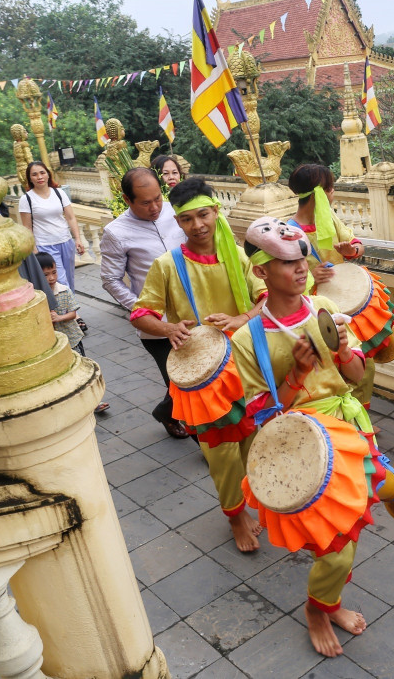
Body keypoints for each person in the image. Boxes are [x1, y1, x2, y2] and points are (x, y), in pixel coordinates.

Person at [231, 216, 382, 658]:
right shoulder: (247, 339)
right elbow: (263, 416)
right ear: (261, 270)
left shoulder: (324, 308)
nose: (301, 268)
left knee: (348, 530)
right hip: (301, 445)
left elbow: (356, 376)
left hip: (349, 430)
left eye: (302, 258)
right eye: (286, 262)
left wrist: (341, 350)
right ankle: (318, 608)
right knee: (334, 540)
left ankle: (327, 601)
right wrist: (296, 373)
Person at [130, 178, 266, 551]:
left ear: (216, 212)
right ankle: (235, 517)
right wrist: (167, 328)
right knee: (220, 453)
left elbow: (266, 298)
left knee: (250, 441)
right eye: (187, 219)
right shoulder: (167, 265)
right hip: (201, 377)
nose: (198, 225)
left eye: (203, 215)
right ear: (178, 221)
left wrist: (242, 318)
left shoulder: (237, 255)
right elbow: (141, 313)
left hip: (245, 364)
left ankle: (247, 503)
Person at [100, 167, 188, 439]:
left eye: (158, 198)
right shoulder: (116, 232)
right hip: (157, 327)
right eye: (145, 203)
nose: (155, 207)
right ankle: (207, 444)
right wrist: (143, 310)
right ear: (127, 200)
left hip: (193, 312)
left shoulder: (178, 212)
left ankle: (165, 411)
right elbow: (110, 280)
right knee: (179, 381)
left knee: (197, 376)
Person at [287, 163, 382, 407]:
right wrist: (310, 277)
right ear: (319, 194)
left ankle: (359, 413)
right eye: (330, 189)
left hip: (346, 305)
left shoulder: (330, 218)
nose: (333, 193)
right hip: (316, 312)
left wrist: (352, 251)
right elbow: (283, 281)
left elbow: (358, 245)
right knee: (331, 365)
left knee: (363, 365)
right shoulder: (289, 233)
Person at [36, 252, 109, 414]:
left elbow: (73, 314)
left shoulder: (64, 290)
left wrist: (59, 318)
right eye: (46, 275)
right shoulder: (37, 296)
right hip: (53, 344)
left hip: (73, 339)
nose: (51, 278)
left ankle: (95, 401)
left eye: (54, 272)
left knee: (83, 369)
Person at [18, 161, 86, 291]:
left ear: (48, 174)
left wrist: (78, 239)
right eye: (34, 174)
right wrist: (34, 249)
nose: (39, 177)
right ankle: (66, 304)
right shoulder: (26, 199)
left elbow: (71, 217)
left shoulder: (59, 193)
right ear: (30, 178)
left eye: (42, 173)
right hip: (45, 245)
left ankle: (71, 304)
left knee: (69, 279)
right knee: (60, 281)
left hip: (66, 241)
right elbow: (27, 227)